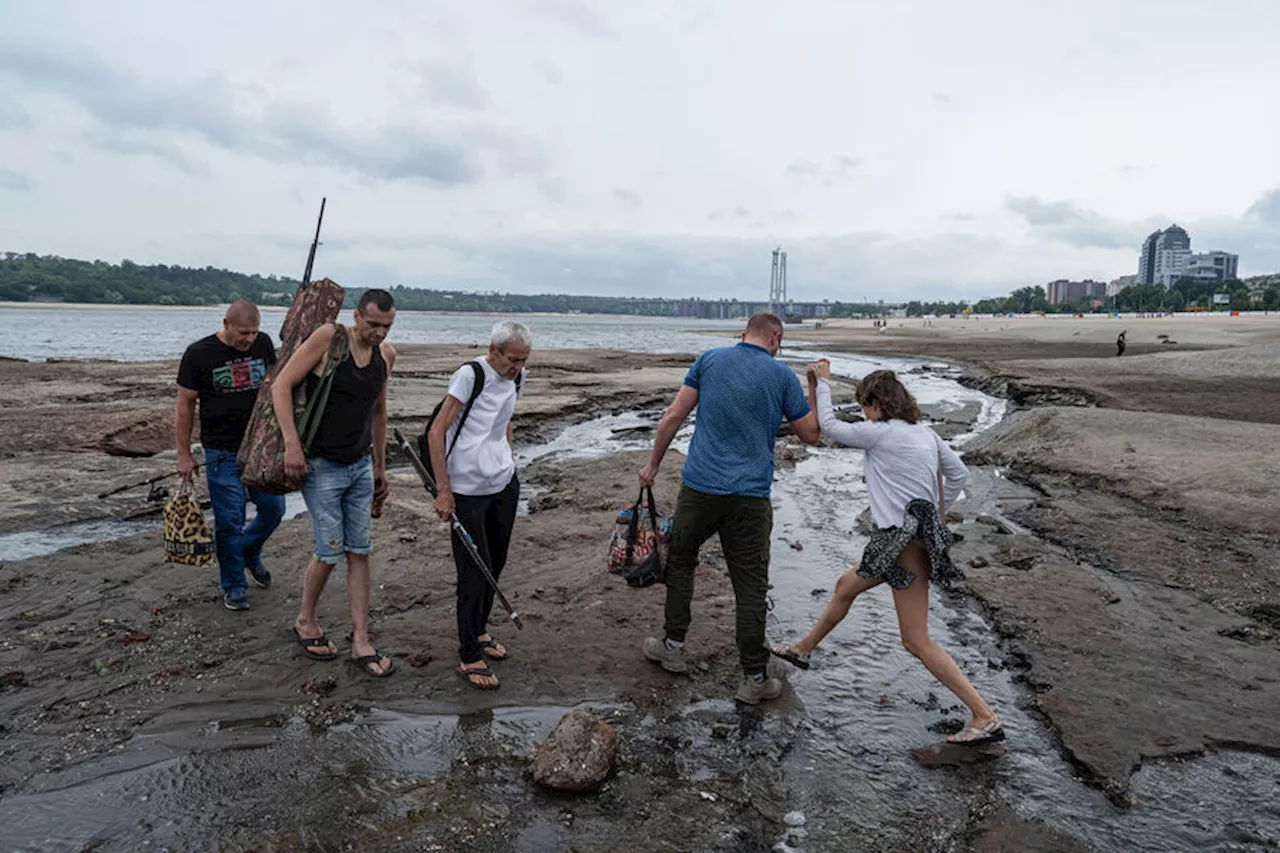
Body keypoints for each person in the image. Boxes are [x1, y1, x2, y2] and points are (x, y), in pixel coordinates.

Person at [773, 362, 1003, 745]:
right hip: (902, 543)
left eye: (865, 405)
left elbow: (828, 426)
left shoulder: (880, 434)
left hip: (903, 547)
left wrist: (824, 383)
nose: (864, 413)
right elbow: (959, 474)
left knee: (916, 641)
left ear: (878, 404)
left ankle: (983, 715)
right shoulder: (925, 434)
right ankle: (803, 649)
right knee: (846, 586)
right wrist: (934, 514)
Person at [639, 313, 820, 704]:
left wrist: (653, 464)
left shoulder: (710, 359)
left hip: (700, 487)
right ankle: (754, 677)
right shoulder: (782, 375)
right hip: (750, 497)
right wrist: (812, 385)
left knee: (681, 561)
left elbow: (673, 416)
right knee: (750, 584)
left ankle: (672, 648)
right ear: (776, 339)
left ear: (743, 335)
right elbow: (810, 434)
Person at [271, 289, 397, 678]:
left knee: (360, 550)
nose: (379, 333)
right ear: (357, 316)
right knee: (330, 550)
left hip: (360, 466)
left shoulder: (386, 356)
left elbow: (378, 410)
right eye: (373, 324)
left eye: (387, 327)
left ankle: (361, 639)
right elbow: (281, 386)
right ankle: (306, 620)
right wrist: (292, 444)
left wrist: (380, 466)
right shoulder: (329, 338)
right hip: (321, 465)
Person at [427, 320, 531, 691]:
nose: (518, 367)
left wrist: (508, 459)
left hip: (502, 482)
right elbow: (437, 430)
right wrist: (444, 490)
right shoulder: (470, 375)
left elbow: (504, 422)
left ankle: (480, 629)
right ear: (494, 350)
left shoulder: (517, 377)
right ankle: (468, 653)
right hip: (466, 488)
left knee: (496, 562)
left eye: (524, 360)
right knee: (475, 570)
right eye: (513, 359)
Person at [176, 300, 285, 611]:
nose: (249, 339)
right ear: (226, 324)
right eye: (243, 333)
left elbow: (275, 388)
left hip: (259, 448)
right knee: (229, 520)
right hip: (221, 452)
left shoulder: (263, 345)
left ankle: (249, 549)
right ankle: (234, 584)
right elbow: (184, 406)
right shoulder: (199, 353)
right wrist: (184, 454)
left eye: (254, 332)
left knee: (273, 509)